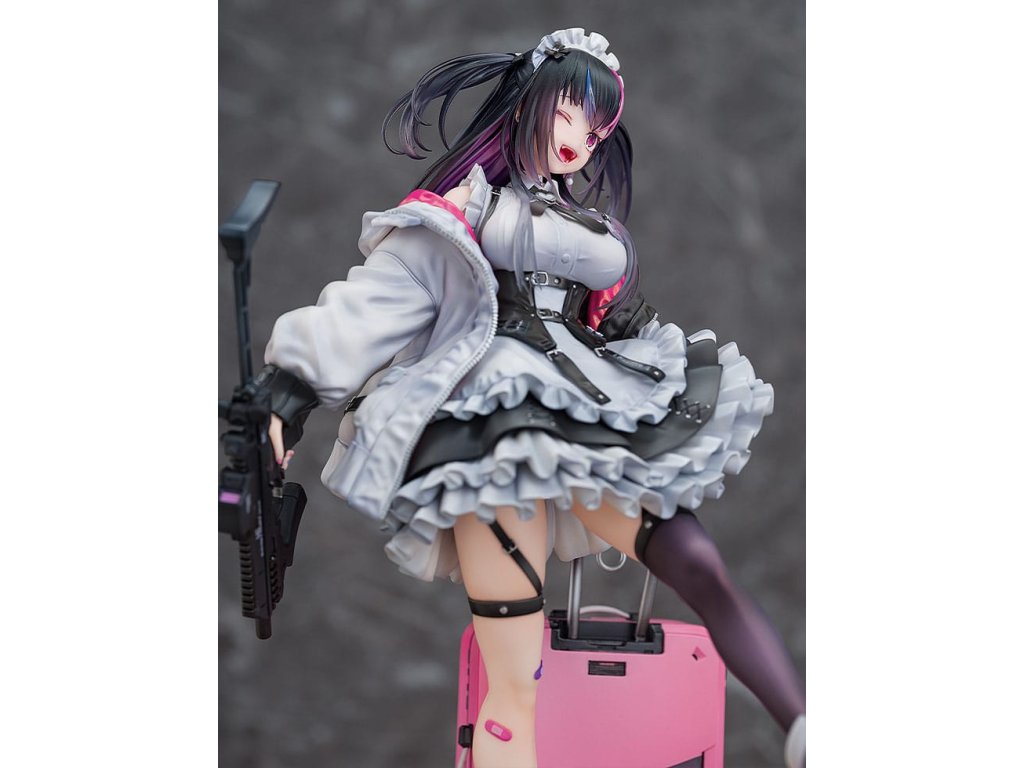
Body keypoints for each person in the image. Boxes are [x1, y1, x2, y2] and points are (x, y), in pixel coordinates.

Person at [262, 28, 805, 768]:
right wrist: (287, 394)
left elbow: (603, 317)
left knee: (697, 564)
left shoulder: (582, 224)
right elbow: (372, 306)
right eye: (568, 112)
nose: (581, 137)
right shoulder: (459, 212)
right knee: (515, 683)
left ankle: (801, 728)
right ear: (528, 103)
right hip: (491, 446)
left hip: (580, 421)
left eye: (597, 127)